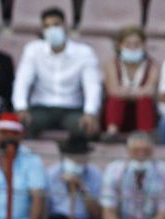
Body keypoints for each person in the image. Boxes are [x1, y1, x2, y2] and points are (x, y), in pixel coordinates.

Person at [13, 7, 102, 139]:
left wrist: (90, 113)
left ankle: (74, 159)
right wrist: (20, 108)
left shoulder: (84, 52)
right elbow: (22, 81)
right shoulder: (33, 50)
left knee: (88, 130)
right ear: (42, 30)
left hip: (72, 108)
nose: (52, 30)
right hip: (41, 107)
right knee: (18, 128)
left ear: (65, 26)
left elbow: (92, 86)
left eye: (56, 24)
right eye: (47, 26)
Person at [101, 131, 165, 219]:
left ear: (152, 151)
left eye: (146, 150)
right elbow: (108, 210)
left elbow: (164, 212)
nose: (141, 154)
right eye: (136, 150)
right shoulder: (113, 170)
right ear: (128, 151)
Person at [102, 25, 160, 138]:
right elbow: (112, 90)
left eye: (137, 44)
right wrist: (136, 92)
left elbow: (150, 90)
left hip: (142, 114)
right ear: (119, 46)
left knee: (145, 100)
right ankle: (112, 132)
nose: (133, 48)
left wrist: (127, 92)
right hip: (119, 114)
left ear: (144, 46)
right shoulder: (111, 64)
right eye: (128, 44)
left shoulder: (153, 65)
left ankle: (145, 134)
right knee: (115, 99)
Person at [43, 134, 103, 219]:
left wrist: (82, 187)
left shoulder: (95, 175)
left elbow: (96, 215)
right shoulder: (52, 174)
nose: (76, 160)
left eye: (80, 156)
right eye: (72, 156)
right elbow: (45, 205)